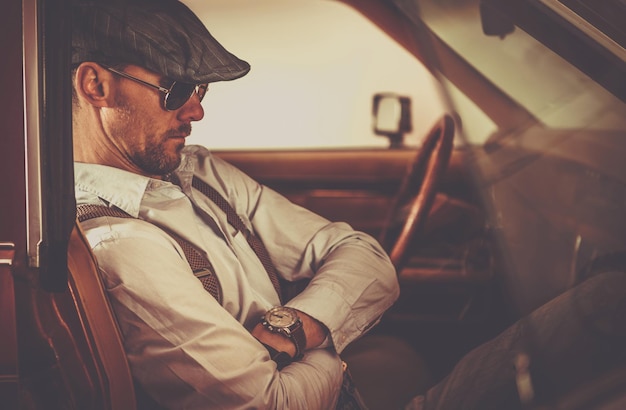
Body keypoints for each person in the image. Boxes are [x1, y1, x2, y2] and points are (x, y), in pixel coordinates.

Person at [71, 0, 425, 409]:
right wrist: (329, 338)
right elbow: (269, 403)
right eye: (177, 89)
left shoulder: (200, 172)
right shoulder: (120, 245)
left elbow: (365, 256)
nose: (197, 110)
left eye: (200, 89)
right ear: (96, 86)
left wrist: (293, 330)